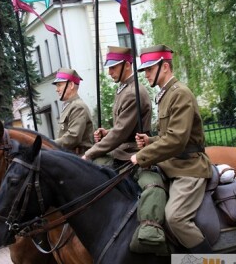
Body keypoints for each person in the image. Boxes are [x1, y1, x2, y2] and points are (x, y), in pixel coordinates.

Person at [130, 45, 213, 252]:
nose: (146, 74)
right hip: (172, 165)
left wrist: (141, 156)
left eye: (149, 69)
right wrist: (150, 141)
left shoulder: (180, 93)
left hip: (189, 168)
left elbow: (177, 140)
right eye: (145, 70)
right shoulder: (165, 95)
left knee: (175, 218)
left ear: (165, 67)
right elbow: (169, 134)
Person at [81, 46, 152, 168]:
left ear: (127, 66)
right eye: (109, 68)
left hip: (133, 154)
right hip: (121, 152)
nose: (109, 72)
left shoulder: (132, 93)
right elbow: (124, 127)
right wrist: (107, 133)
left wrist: (89, 154)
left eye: (113, 67)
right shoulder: (124, 89)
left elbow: (120, 133)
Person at [52, 68, 94, 155]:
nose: (57, 89)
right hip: (70, 157)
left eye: (59, 85)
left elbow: (73, 137)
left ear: (71, 85)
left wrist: (49, 144)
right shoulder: (69, 106)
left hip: (80, 159)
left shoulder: (77, 106)